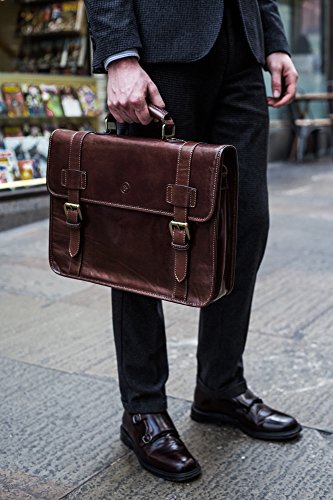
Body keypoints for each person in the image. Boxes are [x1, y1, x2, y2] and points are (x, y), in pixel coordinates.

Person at [84, 0, 301, 483]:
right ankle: (142, 407)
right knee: (141, 238)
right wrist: (119, 54)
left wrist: (274, 40)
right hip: (161, 51)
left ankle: (220, 387)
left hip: (241, 52)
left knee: (245, 225)